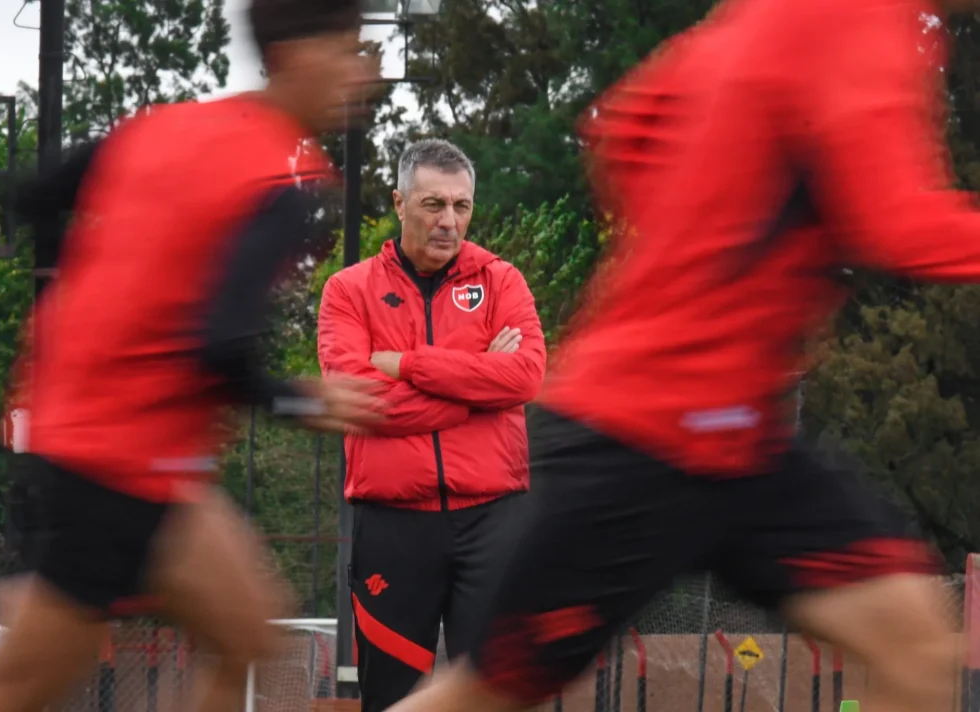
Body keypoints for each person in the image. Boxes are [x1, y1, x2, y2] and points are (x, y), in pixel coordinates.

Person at [384, 0, 980, 711]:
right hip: (639, 433)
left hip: (740, 438)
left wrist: (702, 235)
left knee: (913, 646)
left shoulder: (749, 24)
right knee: (485, 693)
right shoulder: (857, 23)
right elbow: (899, 225)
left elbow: (621, 126)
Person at [0, 1, 384, 710]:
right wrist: (300, 398)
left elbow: (36, 193)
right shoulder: (284, 182)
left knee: (246, 636)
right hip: (110, 465)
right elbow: (221, 347)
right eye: (350, 51)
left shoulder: (163, 125)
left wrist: (74, 311)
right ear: (296, 56)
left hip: (116, 449)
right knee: (14, 693)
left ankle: (37, 591)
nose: (365, 74)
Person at [317, 139, 546, 711]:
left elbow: (524, 378)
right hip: (392, 525)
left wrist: (408, 365)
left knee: (496, 692)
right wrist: (476, 392)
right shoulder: (348, 291)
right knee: (392, 694)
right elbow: (360, 400)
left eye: (461, 207)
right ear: (399, 202)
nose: (449, 222)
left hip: (494, 520)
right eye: (433, 205)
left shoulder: (502, 280)